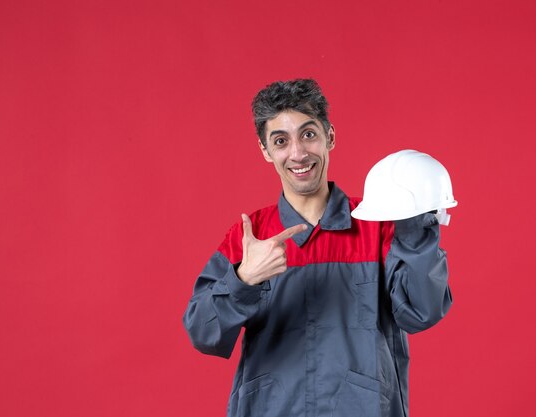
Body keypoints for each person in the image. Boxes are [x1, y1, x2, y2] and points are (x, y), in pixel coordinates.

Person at [183, 79, 452, 417]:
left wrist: (414, 225)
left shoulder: (378, 225)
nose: (297, 153)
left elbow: (422, 312)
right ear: (265, 150)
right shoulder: (249, 237)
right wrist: (243, 280)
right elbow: (203, 333)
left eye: (308, 134)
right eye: (281, 141)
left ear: (330, 137)